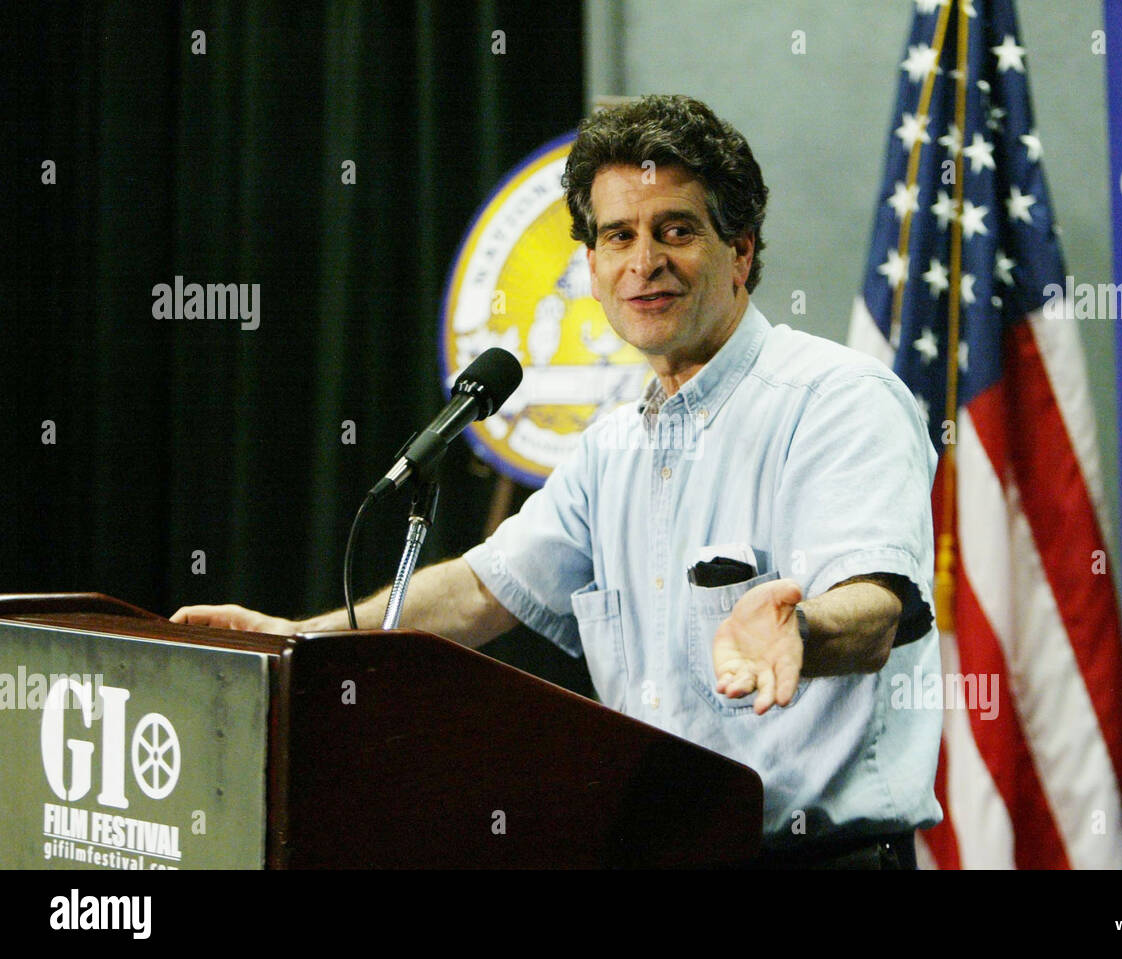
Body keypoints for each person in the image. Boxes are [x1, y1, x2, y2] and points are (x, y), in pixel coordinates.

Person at [174, 94, 942, 869]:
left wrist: (800, 632)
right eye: (619, 236)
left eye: (676, 229)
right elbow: (480, 591)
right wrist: (299, 640)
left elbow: (875, 610)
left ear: (740, 251)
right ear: (593, 267)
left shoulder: (839, 399)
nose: (644, 262)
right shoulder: (610, 446)